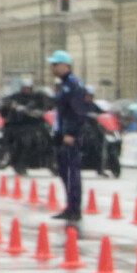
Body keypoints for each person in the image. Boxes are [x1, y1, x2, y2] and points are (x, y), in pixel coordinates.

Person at [47, 50, 88, 221]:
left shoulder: (73, 85)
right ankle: (70, 206)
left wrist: (71, 133)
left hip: (70, 136)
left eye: (56, 64)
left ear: (66, 65)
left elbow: (77, 112)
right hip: (62, 134)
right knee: (65, 172)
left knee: (72, 173)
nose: (53, 68)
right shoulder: (64, 85)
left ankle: (74, 209)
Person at [0, 78, 54, 175]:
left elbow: (47, 105)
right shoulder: (14, 98)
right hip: (19, 126)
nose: (26, 90)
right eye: (24, 88)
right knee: (22, 143)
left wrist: (36, 110)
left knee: (48, 140)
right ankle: (19, 164)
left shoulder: (37, 97)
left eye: (28, 88)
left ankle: (51, 163)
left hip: (35, 125)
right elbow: (4, 109)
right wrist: (12, 107)